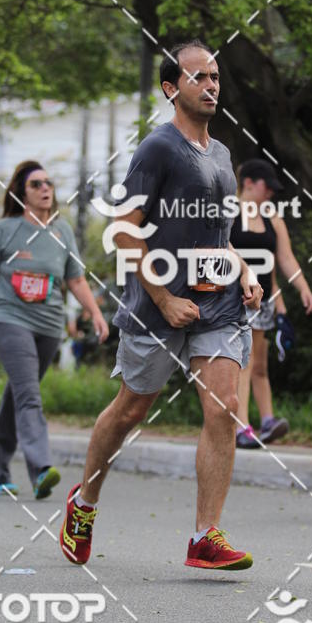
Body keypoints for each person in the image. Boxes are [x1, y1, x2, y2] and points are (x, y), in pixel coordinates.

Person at [59, 39, 263, 571]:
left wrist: (244, 273)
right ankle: (83, 504)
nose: (212, 85)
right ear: (173, 88)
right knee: (130, 409)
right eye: (200, 76)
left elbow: (221, 239)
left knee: (224, 406)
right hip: (159, 303)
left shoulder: (221, 155)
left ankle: (205, 536)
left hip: (217, 305)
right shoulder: (157, 148)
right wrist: (164, 297)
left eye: (216, 76)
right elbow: (125, 232)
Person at [0, 160, 108, 499]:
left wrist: (95, 314)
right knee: (29, 394)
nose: (45, 189)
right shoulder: (5, 230)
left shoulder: (63, 232)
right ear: (21, 193)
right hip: (8, 318)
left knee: (18, 392)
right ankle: (41, 467)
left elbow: (75, 278)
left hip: (49, 325)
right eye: (36, 184)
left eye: (48, 184)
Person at [230, 159, 312, 448]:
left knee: (259, 365)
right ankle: (240, 427)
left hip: (263, 300)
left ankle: (267, 420)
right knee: (242, 361)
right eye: (267, 187)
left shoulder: (272, 217)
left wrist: (302, 288)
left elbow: (285, 259)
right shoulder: (228, 213)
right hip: (232, 299)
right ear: (249, 183)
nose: (270, 194)